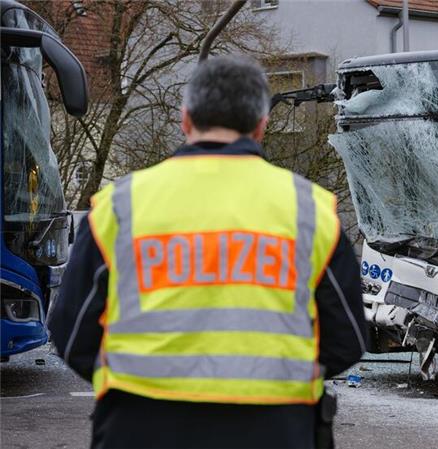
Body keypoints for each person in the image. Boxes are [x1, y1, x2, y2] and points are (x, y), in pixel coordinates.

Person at [48, 55, 367, 449]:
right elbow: (347, 339)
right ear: (262, 125)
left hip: (140, 428)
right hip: (273, 430)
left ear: (185, 119)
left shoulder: (121, 206)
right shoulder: (309, 210)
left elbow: (70, 332)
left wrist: (135, 388)